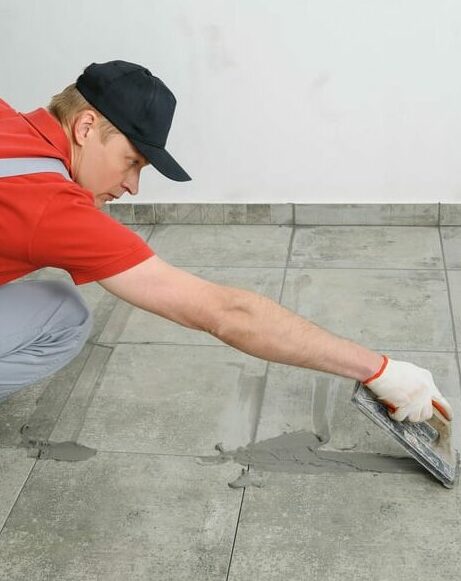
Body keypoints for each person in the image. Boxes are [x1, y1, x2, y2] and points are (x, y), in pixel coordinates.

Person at [0, 60, 453, 424]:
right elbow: (226, 314)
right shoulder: (54, 207)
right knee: (67, 316)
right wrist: (379, 369)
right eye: (131, 161)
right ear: (84, 128)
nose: (132, 186)